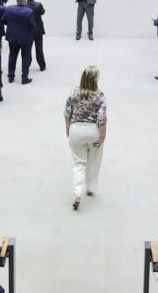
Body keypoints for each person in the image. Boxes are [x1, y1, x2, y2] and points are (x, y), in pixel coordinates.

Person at [64, 65, 107, 211]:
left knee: (78, 163)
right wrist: (102, 136)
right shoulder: (99, 95)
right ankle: (90, 188)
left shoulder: (74, 92)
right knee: (93, 161)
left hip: (76, 129)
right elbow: (102, 118)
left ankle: (77, 193)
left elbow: (67, 112)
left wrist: (68, 128)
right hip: (93, 130)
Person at [2, 0, 36, 85]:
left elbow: (3, 20)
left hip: (12, 37)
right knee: (25, 57)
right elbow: (33, 26)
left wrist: (12, 25)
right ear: (25, 1)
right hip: (26, 38)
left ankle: (11, 76)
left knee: (12, 56)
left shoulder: (9, 9)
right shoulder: (29, 12)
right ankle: (24, 78)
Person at [26, 0, 47, 71]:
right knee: (39, 49)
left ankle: (27, 64)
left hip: (28, 30)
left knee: (28, 49)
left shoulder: (25, 5)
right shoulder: (38, 5)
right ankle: (42, 65)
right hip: (38, 29)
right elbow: (42, 12)